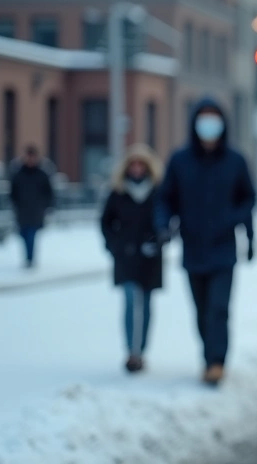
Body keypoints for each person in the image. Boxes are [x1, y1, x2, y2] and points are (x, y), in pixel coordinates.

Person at [155, 98, 256, 386]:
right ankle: (208, 354)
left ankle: (217, 362)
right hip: (193, 246)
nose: (209, 124)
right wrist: (164, 226)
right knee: (201, 309)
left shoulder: (235, 161)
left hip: (223, 248)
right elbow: (166, 199)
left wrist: (241, 228)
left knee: (219, 308)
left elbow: (248, 198)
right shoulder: (180, 160)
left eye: (214, 118)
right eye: (204, 117)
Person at [100, 144, 165, 373]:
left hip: (150, 257)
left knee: (146, 305)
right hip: (125, 256)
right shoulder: (118, 193)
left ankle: (142, 349)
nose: (137, 168)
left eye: (141, 164)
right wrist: (113, 245)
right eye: (133, 164)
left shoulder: (158, 193)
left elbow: (167, 222)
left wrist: (159, 240)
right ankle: (131, 352)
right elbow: (106, 222)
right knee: (129, 301)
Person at [9, 145, 54, 270]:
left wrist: (44, 206)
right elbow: (13, 192)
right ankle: (28, 257)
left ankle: (30, 259)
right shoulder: (18, 174)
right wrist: (16, 205)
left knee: (31, 235)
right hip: (22, 211)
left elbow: (49, 193)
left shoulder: (41, 175)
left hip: (36, 211)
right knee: (23, 235)